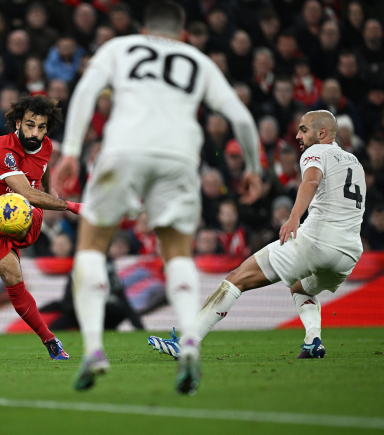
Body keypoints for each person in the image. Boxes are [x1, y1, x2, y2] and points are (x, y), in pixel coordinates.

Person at [55, 0, 262, 393]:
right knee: (177, 254)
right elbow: (240, 117)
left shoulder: (120, 47)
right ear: (183, 34)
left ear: (144, 30)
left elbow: (85, 90)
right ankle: (187, 344)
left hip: (122, 152)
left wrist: (70, 151)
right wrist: (253, 167)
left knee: (91, 248)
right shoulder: (197, 60)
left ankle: (95, 349)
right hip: (179, 157)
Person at [150, 111, 365, 363]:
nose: (297, 135)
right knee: (300, 287)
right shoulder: (354, 162)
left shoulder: (315, 152)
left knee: (236, 279)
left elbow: (311, 181)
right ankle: (313, 341)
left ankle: (187, 343)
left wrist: (294, 216)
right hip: (349, 252)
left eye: (304, 129)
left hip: (316, 241)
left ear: (321, 133)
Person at [0, 94, 82, 361]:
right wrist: (69, 206)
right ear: (18, 123)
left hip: (28, 215)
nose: (35, 132)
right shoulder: (3, 149)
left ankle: (2, 224)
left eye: (41, 127)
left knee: (17, 207)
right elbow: (27, 191)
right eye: (30, 125)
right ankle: (50, 340)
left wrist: (50, 190)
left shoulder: (45, 146)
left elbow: (42, 172)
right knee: (11, 276)